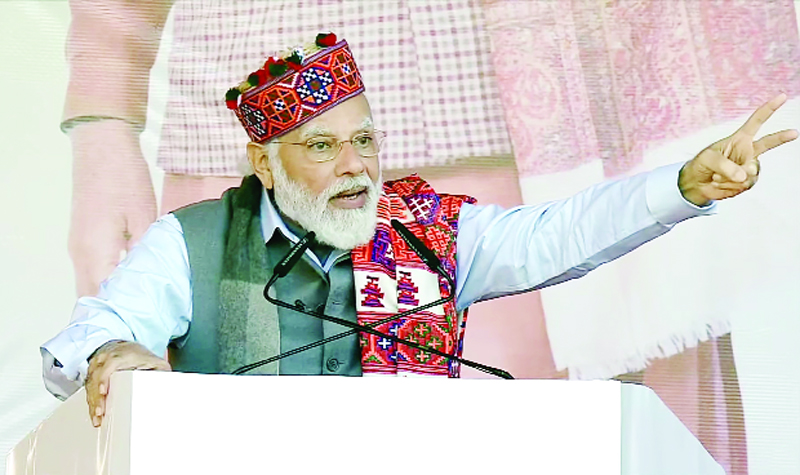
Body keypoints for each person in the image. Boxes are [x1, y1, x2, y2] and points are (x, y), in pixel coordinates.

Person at [43, 34, 797, 428]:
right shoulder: (192, 242)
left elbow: (557, 236)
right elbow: (95, 331)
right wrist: (114, 354)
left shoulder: (426, 230)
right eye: (322, 146)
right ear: (264, 165)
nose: (356, 165)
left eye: (364, 141)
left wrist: (683, 185)